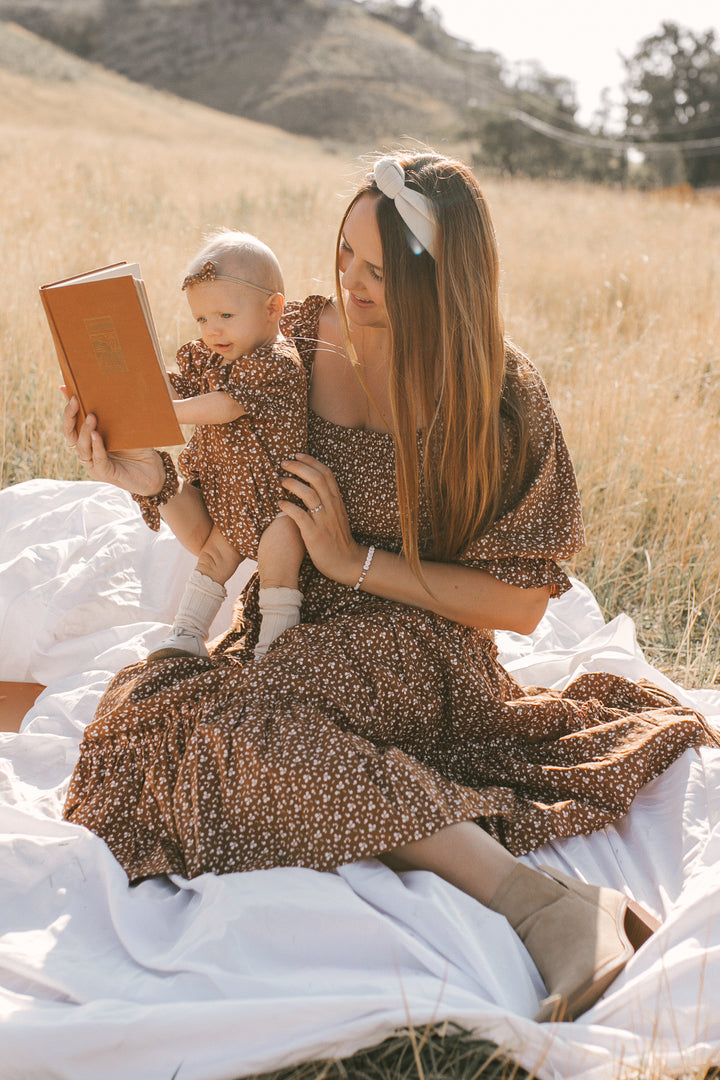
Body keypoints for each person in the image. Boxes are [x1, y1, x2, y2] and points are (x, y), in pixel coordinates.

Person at [61, 149, 717, 1024]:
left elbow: (519, 605)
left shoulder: (496, 389)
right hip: (286, 630)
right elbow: (224, 529)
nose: (352, 284)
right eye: (344, 256)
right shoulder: (281, 342)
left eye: (380, 270)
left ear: (446, 278)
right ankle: (532, 891)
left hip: (416, 641)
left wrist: (351, 560)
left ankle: (536, 902)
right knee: (144, 725)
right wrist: (145, 476)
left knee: (251, 731)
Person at [144, 229, 307, 661]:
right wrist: (140, 384)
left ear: (273, 308)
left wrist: (167, 410)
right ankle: (187, 633)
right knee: (214, 558)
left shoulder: (277, 361)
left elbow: (225, 406)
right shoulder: (217, 356)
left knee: (278, 568)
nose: (211, 330)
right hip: (232, 496)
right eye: (201, 319)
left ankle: (273, 649)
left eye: (225, 316)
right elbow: (181, 386)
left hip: (280, 501)